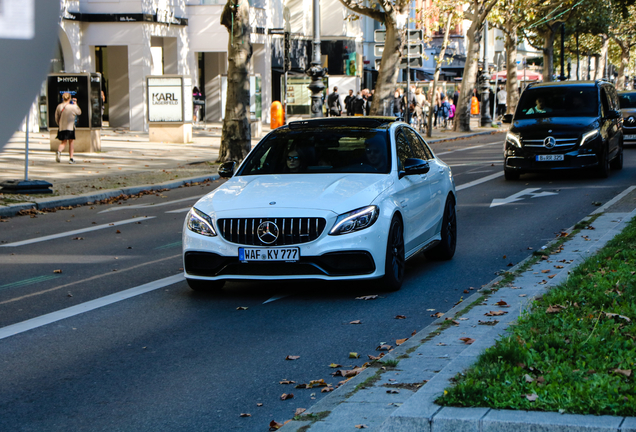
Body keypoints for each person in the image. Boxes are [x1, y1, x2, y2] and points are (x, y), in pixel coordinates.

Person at [54, 92, 81, 164]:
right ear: (69, 99)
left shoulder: (59, 106)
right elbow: (79, 112)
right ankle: (71, 158)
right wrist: (76, 104)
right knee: (71, 142)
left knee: (63, 142)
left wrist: (59, 124)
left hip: (62, 127)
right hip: (70, 127)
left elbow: (56, 117)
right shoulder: (72, 107)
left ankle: (59, 151)